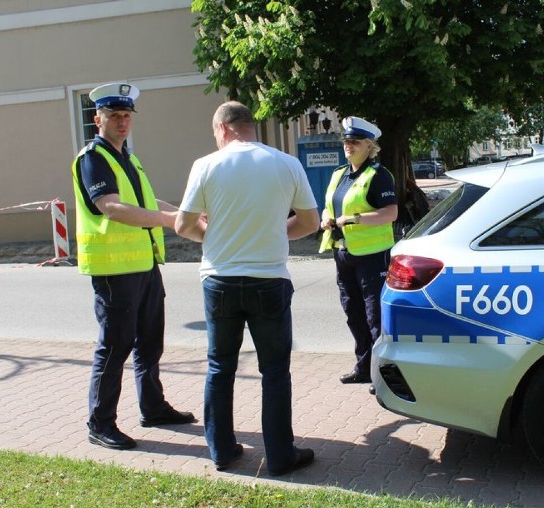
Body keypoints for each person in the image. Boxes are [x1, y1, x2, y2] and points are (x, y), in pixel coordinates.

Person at [175, 101, 320, 475]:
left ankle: (222, 451)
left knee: (219, 366)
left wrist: (212, 236)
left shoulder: (205, 165)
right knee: (274, 370)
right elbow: (310, 220)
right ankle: (280, 455)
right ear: (249, 126)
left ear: (222, 128)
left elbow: (183, 225)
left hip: (219, 279)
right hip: (269, 279)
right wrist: (277, 234)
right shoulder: (286, 163)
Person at [71, 82, 195, 451]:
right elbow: (111, 206)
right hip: (114, 271)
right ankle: (100, 422)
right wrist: (169, 221)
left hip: (143, 266)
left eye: (127, 116)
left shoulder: (128, 157)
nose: (122, 122)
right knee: (115, 346)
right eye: (114, 116)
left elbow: (143, 199)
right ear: (98, 119)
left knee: (149, 343)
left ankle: (153, 407)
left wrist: (183, 213)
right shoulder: (93, 158)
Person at [319, 117, 398, 388]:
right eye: (346, 142)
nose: (348, 146)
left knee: (374, 315)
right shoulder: (339, 174)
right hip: (342, 252)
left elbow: (391, 212)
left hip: (372, 256)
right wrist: (325, 219)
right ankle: (363, 367)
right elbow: (329, 206)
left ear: (369, 145)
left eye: (354, 142)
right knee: (353, 313)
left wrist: (354, 219)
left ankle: (381, 376)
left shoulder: (378, 175)